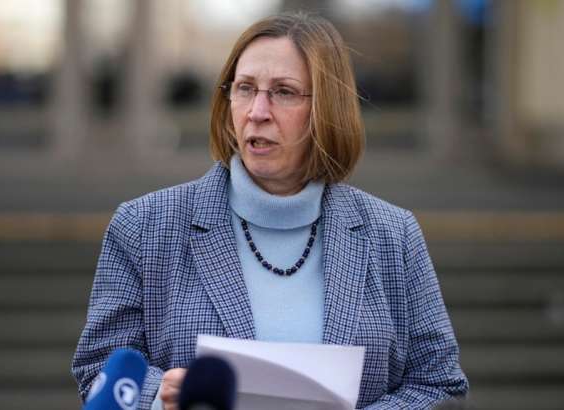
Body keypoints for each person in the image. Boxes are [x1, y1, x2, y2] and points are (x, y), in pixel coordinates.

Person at [72, 11, 468, 410]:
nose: (257, 111)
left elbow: (439, 384)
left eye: (283, 92)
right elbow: (98, 369)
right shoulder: (144, 226)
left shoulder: (394, 235)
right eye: (245, 88)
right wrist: (161, 397)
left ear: (328, 108)